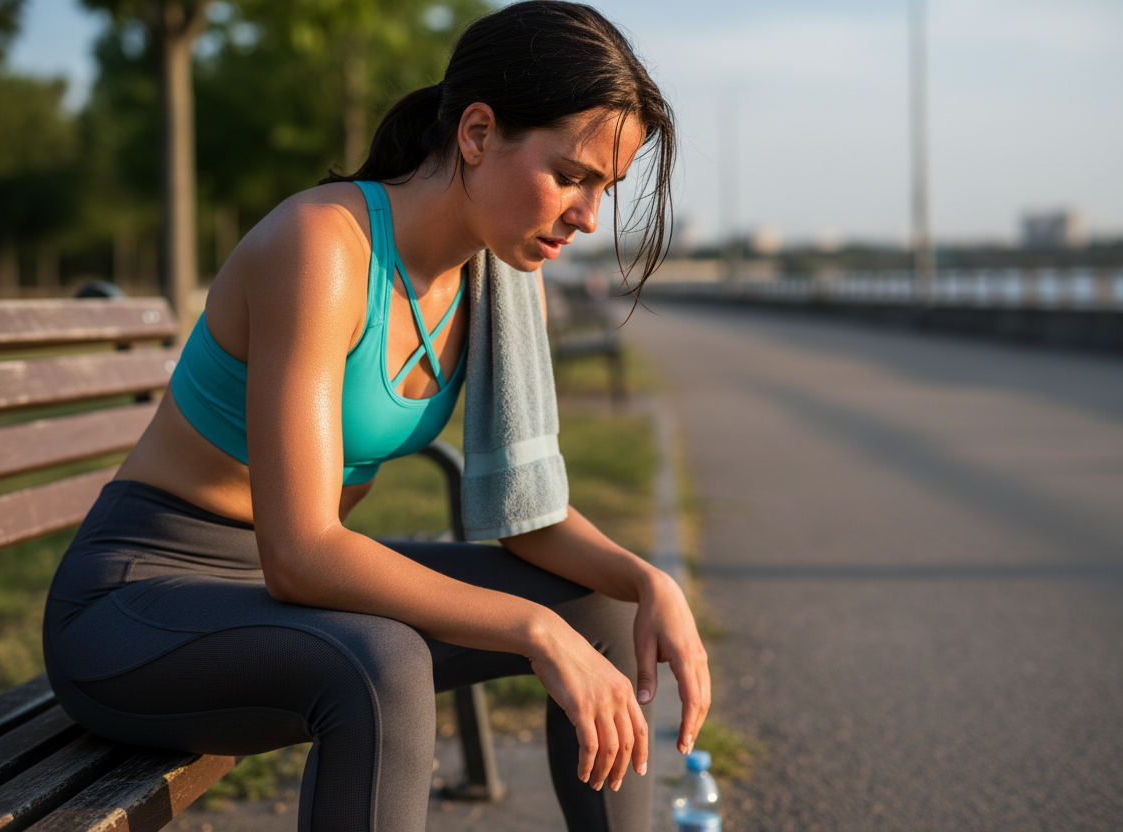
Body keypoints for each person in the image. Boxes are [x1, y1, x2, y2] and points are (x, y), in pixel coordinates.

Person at [42, 2, 709, 830]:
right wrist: (532, 629)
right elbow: (302, 556)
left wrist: (648, 581)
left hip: (280, 605)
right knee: (383, 662)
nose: (587, 216)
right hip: (137, 605)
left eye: (602, 188)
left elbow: (528, 522)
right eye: (571, 175)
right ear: (475, 132)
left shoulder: (498, 278)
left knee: (598, 611)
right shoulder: (324, 246)